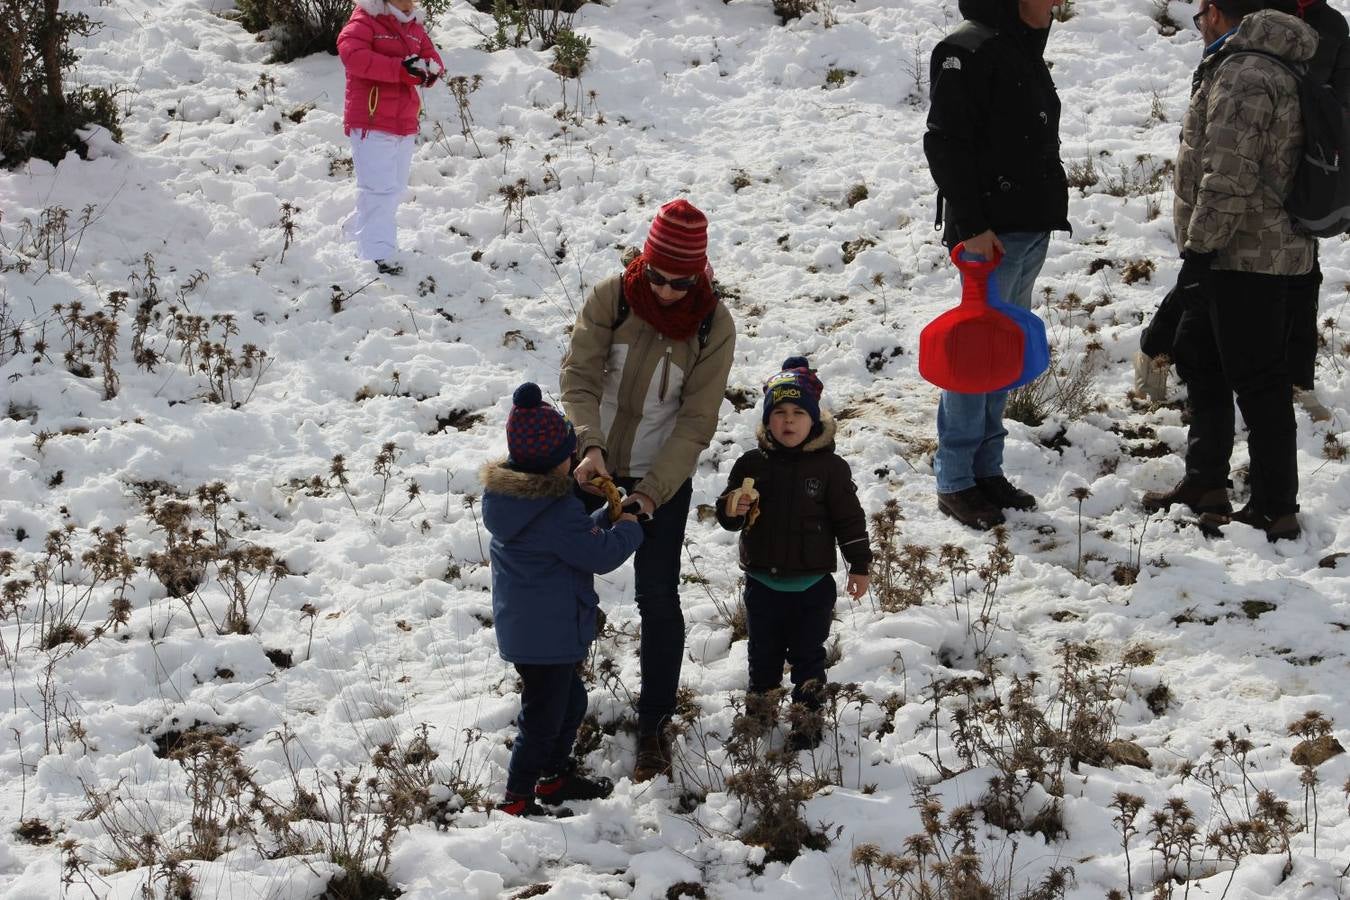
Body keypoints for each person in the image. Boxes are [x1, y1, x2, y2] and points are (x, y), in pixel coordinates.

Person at [560, 199, 736, 782]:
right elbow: (580, 375)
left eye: (679, 282)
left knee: (657, 599)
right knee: (560, 582)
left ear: (700, 274)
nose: (663, 291)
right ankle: (554, 704)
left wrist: (654, 492)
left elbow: (695, 421)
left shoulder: (714, 326)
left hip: (662, 474)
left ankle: (655, 723)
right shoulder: (612, 297)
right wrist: (589, 446)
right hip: (592, 463)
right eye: (656, 276)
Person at [1141, 0, 1317, 542]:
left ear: (1216, 14)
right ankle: (1205, 482)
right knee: (1199, 356)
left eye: (1200, 17)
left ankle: (1273, 507)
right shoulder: (1281, 64)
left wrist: (1199, 251)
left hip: (1244, 254)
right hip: (1270, 249)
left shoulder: (1245, 73)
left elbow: (1228, 175)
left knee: (1258, 383)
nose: (1200, 27)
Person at [922, 0, 1071, 531]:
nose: (1054, 4)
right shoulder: (968, 49)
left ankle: (988, 469)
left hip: (1028, 227)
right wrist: (973, 224)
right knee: (973, 358)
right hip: (993, 235)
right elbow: (944, 143)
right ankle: (956, 478)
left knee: (1001, 356)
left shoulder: (1018, 48)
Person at [481, 383, 644, 816]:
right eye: (570, 454)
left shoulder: (518, 504)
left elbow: (569, 539)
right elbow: (598, 552)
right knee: (542, 718)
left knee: (569, 703)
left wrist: (601, 518)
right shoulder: (555, 511)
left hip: (533, 631)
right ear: (555, 462)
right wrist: (627, 525)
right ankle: (517, 797)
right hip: (548, 636)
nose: (575, 459)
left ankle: (552, 779)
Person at [715, 358, 872, 751]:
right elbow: (729, 515)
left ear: (814, 419)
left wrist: (860, 565)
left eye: (798, 412)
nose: (788, 421)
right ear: (768, 420)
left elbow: (850, 521)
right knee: (762, 655)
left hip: (812, 586)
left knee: (808, 658)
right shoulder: (752, 464)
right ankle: (761, 713)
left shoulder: (831, 469)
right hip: (763, 583)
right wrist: (733, 507)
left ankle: (807, 722)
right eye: (779, 413)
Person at [1268, 0, 1350, 422]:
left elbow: (1345, 97)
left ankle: (1300, 381)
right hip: (1259, 164)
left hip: (1308, 171)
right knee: (1212, 269)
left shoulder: (1332, 23)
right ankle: (1159, 348)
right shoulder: (1259, 13)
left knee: (1305, 275)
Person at [337, 0, 444, 275]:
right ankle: (377, 254)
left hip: (404, 121)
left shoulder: (414, 27)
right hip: (371, 120)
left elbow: (433, 58)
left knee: (394, 188)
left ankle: (356, 231)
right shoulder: (365, 19)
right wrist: (399, 68)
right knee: (378, 189)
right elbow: (352, 54)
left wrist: (429, 71)